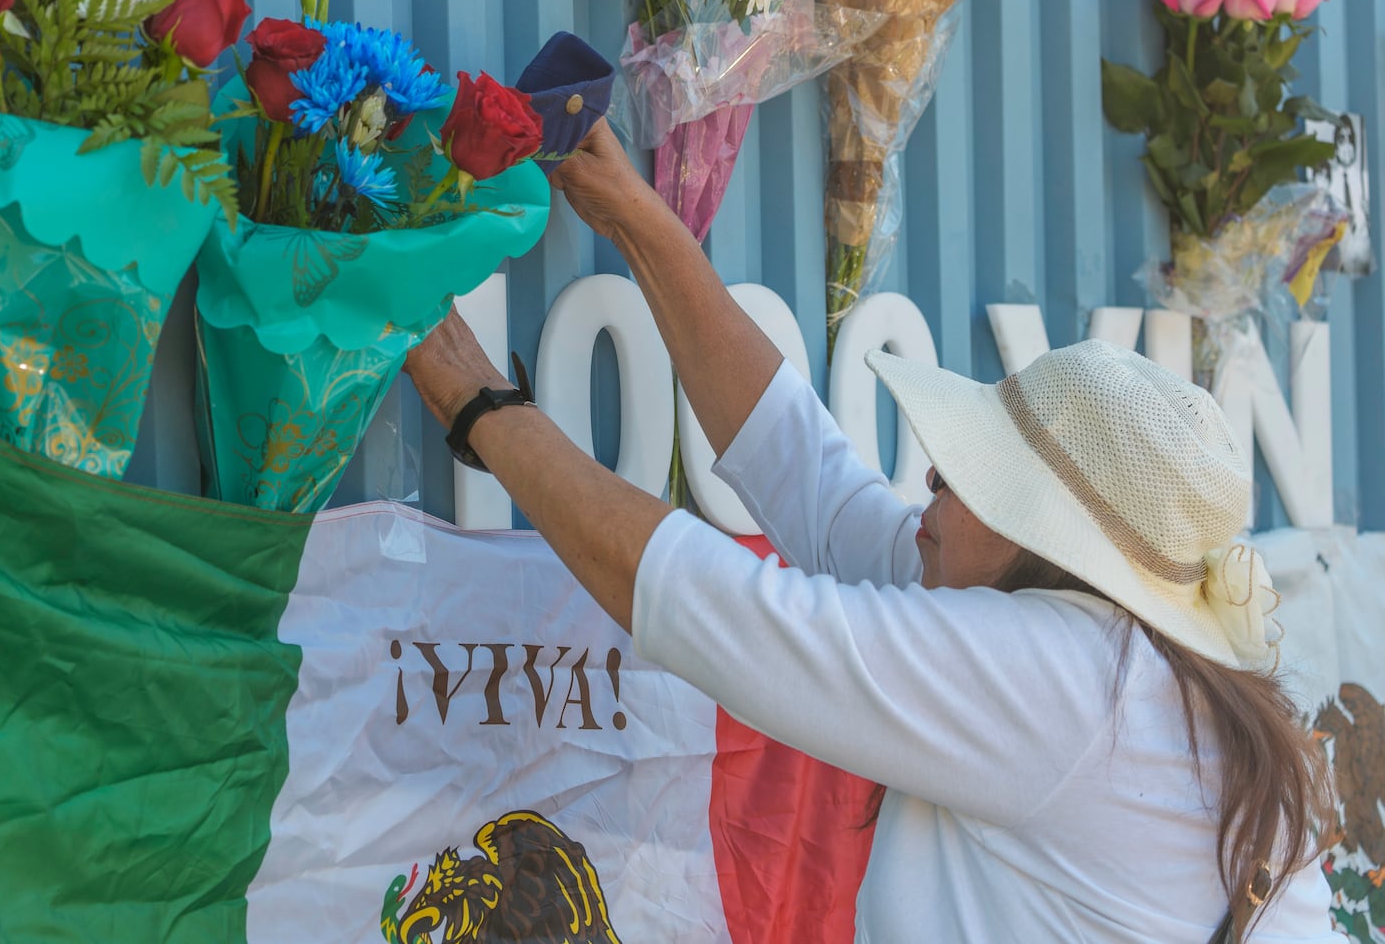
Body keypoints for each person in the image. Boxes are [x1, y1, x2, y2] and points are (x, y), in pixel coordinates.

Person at [402, 120, 1339, 943]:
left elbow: (716, 608)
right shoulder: (1103, 656)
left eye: (978, 476)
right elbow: (807, 473)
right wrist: (641, 225)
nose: (933, 474)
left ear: (1049, 550)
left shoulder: (1065, 681)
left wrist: (483, 409)